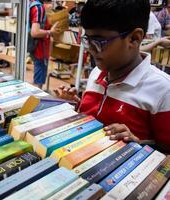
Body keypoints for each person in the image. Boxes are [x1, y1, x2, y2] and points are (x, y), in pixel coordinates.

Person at [54, 0, 170, 152]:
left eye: (99, 41)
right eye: (87, 40)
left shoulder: (162, 90)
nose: (90, 49)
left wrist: (137, 144)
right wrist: (74, 108)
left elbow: (166, 152)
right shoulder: (97, 73)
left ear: (134, 38)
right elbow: (93, 118)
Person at [29, 0, 60, 89]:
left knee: (38, 71)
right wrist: (51, 32)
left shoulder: (32, 4)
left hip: (36, 45)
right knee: (39, 75)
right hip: (39, 46)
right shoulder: (38, 7)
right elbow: (35, 32)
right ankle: (36, 98)